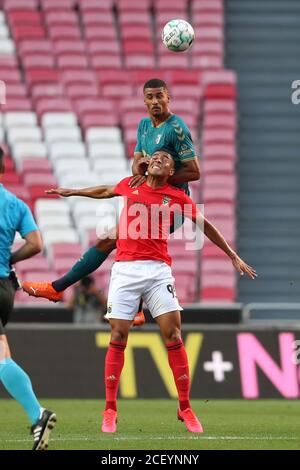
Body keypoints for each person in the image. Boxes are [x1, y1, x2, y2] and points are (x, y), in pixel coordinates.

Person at [34, 150, 256, 433]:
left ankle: (185, 407)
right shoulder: (132, 183)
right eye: (155, 157)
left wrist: (231, 254)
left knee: (174, 334)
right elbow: (104, 190)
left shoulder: (177, 196)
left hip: (157, 270)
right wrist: (73, 192)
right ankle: (110, 410)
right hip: (125, 270)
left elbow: (204, 225)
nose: (157, 159)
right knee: (117, 335)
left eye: (165, 159)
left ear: (171, 171)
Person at [22, 78, 201, 327]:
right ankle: (65, 290)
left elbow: (194, 171)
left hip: (170, 206)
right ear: (144, 100)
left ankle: (59, 288)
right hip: (148, 201)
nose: (155, 101)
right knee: (111, 239)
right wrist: (140, 168)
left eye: (159, 96)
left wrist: (156, 176)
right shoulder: (144, 127)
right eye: (150, 97)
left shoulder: (176, 128)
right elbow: (136, 162)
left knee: (121, 241)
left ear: (168, 97)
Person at [0, 147, 56, 450]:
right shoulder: (15, 204)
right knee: (1, 354)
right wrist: (8, 259)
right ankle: (37, 416)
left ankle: (38, 414)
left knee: (0, 357)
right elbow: (35, 245)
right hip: (5, 288)